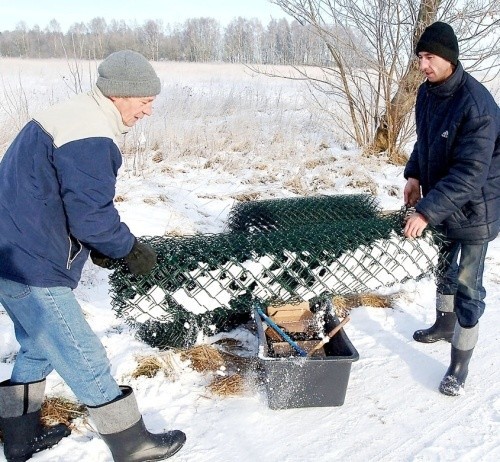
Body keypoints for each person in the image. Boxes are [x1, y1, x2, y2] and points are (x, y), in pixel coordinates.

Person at [0, 50, 186, 461]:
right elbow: (91, 216)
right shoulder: (90, 135)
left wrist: (96, 244)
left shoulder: (73, 115)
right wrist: (126, 248)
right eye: (145, 101)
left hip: (12, 249)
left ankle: (17, 440)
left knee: (38, 345)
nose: (148, 111)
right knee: (83, 353)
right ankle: (133, 444)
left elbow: (51, 195)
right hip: (31, 262)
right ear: (120, 95)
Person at [403, 22, 499, 396]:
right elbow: (424, 141)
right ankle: (444, 325)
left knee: (467, 286)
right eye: (420, 58)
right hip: (442, 201)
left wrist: (426, 212)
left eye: (429, 58)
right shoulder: (428, 93)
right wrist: (413, 176)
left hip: (477, 208)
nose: (423, 65)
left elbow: (470, 174)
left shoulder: (478, 105)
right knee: (443, 267)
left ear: (449, 58)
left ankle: (460, 364)